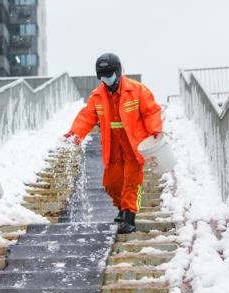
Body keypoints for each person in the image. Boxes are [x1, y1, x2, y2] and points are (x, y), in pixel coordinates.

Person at [64, 53, 162, 234]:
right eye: (102, 76)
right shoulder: (97, 96)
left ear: (118, 72)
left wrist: (154, 130)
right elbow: (87, 116)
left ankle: (129, 216)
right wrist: (74, 135)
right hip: (113, 145)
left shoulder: (137, 90)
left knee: (132, 182)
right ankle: (122, 208)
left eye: (109, 75)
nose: (106, 79)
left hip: (133, 145)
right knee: (111, 183)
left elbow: (151, 111)